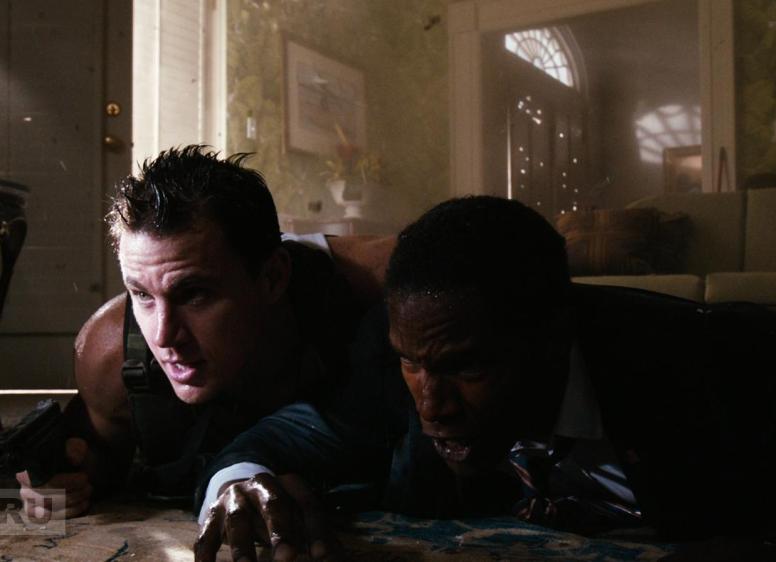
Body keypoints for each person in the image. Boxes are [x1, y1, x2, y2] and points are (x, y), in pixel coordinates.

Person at [194, 196, 776, 561]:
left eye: (467, 366)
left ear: (554, 337)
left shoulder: (722, 369)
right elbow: (274, 442)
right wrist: (240, 486)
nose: (431, 405)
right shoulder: (401, 351)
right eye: (413, 364)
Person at [14, 145, 394, 520]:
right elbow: (93, 458)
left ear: (273, 278)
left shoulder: (374, 283)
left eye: (193, 294)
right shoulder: (111, 355)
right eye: (142, 294)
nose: (163, 336)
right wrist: (60, 485)